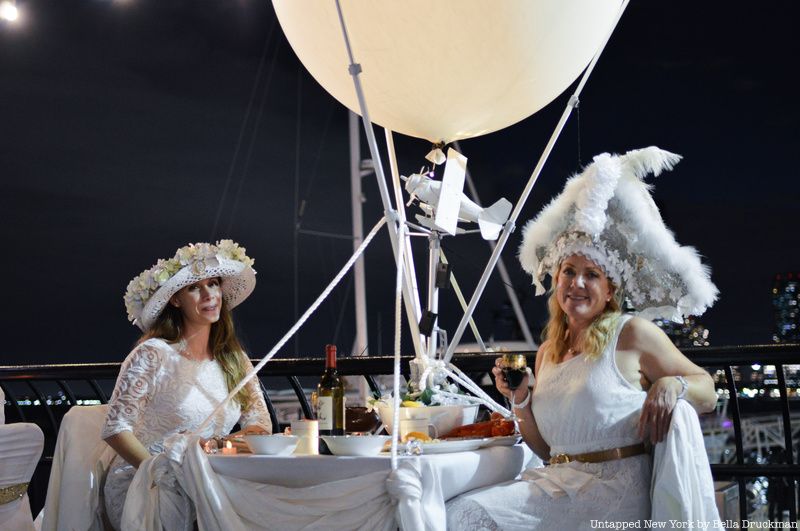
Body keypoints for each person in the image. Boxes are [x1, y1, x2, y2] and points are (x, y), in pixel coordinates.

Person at [447, 147, 721, 530]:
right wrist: (521, 399)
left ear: (609, 290)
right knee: (453, 510)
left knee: (465, 516)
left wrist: (672, 386)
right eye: (569, 271)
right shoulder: (546, 353)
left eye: (591, 275)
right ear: (556, 280)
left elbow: (707, 389)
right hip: (557, 484)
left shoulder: (631, 333)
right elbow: (547, 450)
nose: (577, 283)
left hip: (613, 494)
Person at [101, 240, 272, 530]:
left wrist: (215, 448)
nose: (209, 295)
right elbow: (116, 430)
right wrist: (161, 472)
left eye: (214, 284)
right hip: (146, 482)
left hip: (209, 476)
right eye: (195, 287)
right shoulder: (152, 354)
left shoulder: (234, 359)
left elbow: (260, 424)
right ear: (176, 299)